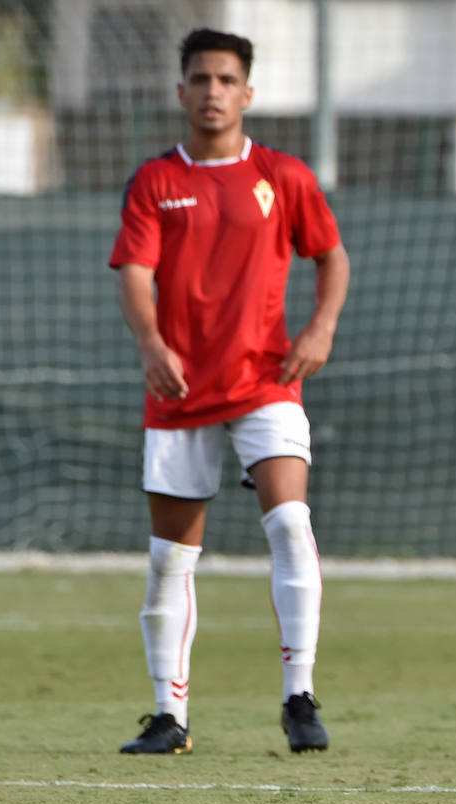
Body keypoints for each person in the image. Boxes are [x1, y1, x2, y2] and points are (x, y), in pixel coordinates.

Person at [108, 28, 351, 755]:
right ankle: (167, 717)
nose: (212, 91)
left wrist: (320, 330)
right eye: (200, 79)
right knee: (171, 559)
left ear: (247, 93)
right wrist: (152, 344)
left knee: (290, 525)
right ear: (181, 91)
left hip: (266, 381)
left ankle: (300, 699)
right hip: (179, 388)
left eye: (225, 79)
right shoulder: (155, 181)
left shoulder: (283, 175)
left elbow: (331, 257)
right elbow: (134, 275)